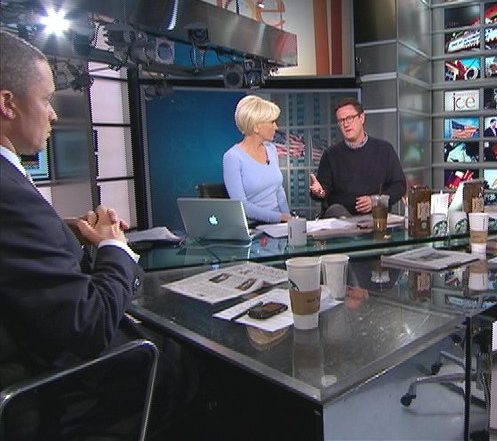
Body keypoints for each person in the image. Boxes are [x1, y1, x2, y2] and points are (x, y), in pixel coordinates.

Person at [0, 31, 199, 438]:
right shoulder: (8, 193)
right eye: (46, 99)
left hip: (40, 362)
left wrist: (69, 231)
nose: (53, 114)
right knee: (191, 358)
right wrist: (114, 247)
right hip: (61, 389)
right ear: (8, 103)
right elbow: (89, 325)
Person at [309, 98, 406, 217]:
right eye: (341, 121)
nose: (346, 124)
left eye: (350, 118)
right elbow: (322, 190)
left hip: (375, 217)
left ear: (362, 118)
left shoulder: (384, 150)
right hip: (341, 219)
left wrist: (375, 201)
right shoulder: (330, 155)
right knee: (335, 210)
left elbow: (399, 185)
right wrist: (320, 192)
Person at [223, 95, 290, 224]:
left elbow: (279, 191)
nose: (276, 127)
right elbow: (242, 206)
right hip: (254, 227)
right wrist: (280, 217)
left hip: (279, 225)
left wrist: (289, 221)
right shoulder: (233, 157)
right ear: (256, 127)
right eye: (272, 122)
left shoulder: (271, 149)